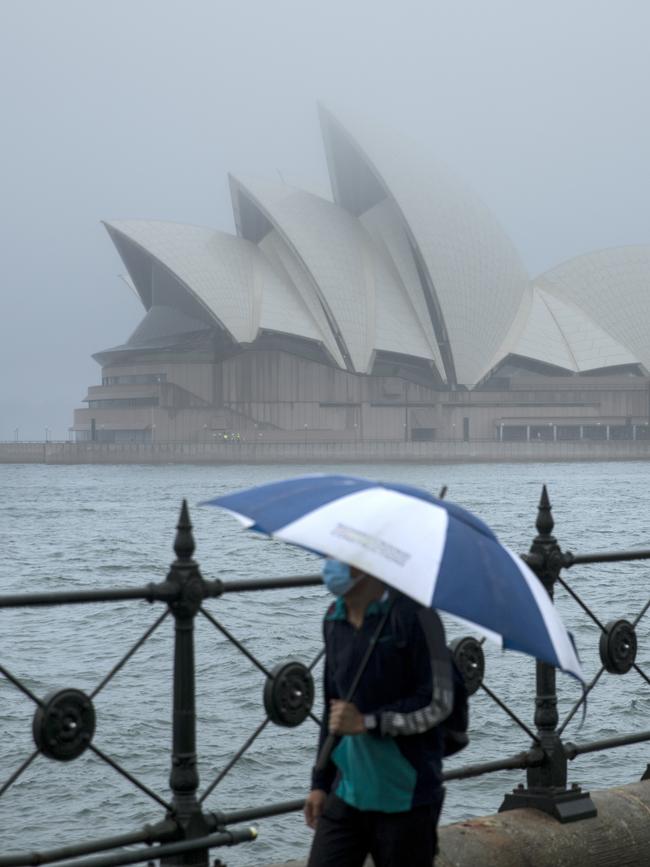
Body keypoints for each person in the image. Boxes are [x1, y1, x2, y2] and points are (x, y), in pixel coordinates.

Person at [305, 559, 457, 867]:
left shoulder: (419, 618)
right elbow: (332, 707)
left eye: (343, 557)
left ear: (369, 565)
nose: (331, 565)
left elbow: (439, 703)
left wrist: (368, 722)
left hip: (406, 795)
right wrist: (320, 783)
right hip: (347, 791)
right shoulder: (334, 618)